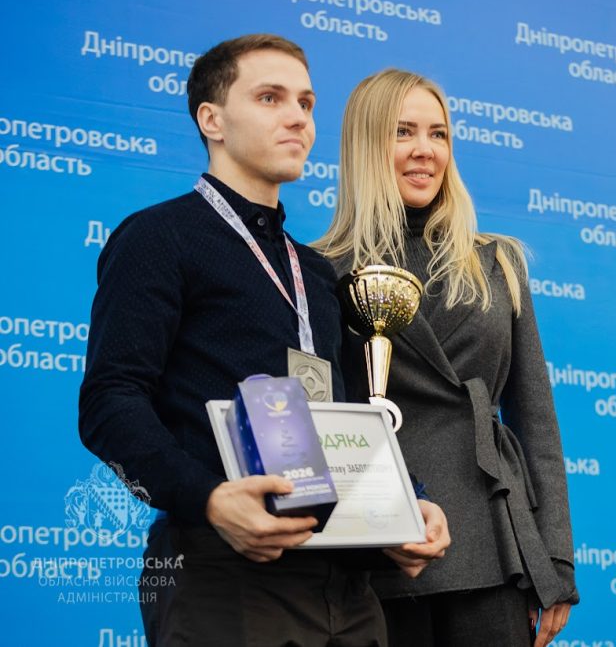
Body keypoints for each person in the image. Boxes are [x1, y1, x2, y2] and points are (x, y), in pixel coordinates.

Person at [79, 35, 450, 647]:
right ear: (212, 120)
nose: (298, 117)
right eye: (271, 98)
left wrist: (409, 505)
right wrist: (210, 499)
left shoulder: (316, 272)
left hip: (346, 586)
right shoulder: (158, 237)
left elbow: (347, 416)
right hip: (222, 570)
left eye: (306, 103)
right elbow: (109, 403)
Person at [313, 69, 578, 647]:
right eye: (402, 131)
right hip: (382, 543)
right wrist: (376, 521)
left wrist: (555, 559)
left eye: (439, 134)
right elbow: (322, 423)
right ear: (364, 144)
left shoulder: (498, 262)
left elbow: (535, 419)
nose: (425, 150)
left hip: (491, 534)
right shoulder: (319, 270)